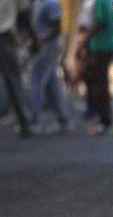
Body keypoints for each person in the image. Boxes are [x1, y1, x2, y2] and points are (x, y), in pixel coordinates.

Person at [30, 0, 73, 134]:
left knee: (37, 82)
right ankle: (63, 119)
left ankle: (33, 120)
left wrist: (40, 40)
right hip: (44, 46)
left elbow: (57, 27)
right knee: (52, 83)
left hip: (48, 47)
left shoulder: (51, 3)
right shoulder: (38, 2)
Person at [83, 0, 113, 135]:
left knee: (99, 84)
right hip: (110, 43)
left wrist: (86, 37)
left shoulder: (99, 2)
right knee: (102, 82)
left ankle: (104, 121)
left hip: (101, 46)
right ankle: (105, 119)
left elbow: (100, 21)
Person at [0, 0, 33, 138]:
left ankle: (23, 121)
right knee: (13, 81)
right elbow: (24, 13)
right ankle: (24, 122)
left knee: (13, 81)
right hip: (5, 36)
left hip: (6, 35)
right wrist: (32, 36)